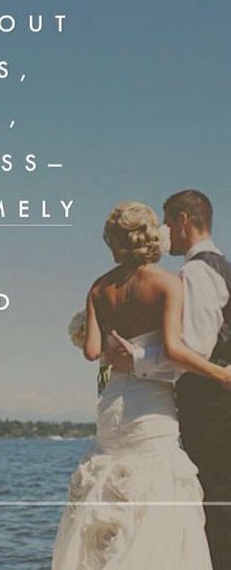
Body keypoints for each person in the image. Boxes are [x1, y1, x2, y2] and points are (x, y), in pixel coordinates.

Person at [52, 200, 231, 569]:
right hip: (150, 406)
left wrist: (117, 349)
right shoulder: (167, 282)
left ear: (114, 241)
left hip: (114, 403)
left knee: (109, 490)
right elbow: (174, 349)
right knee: (155, 495)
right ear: (150, 236)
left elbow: (92, 352)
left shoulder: (99, 288)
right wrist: (222, 375)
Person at [106, 190, 231, 569]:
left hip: (210, 406)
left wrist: (136, 359)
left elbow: (193, 351)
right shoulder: (221, 265)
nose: (163, 233)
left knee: (215, 501)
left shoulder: (195, 272)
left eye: (167, 222)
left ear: (182, 221)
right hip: (215, 405)